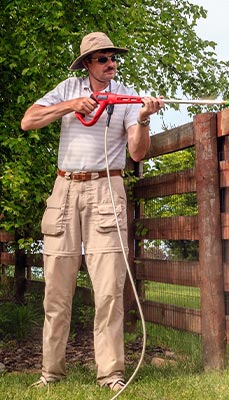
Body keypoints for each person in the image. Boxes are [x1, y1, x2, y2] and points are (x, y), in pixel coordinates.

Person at [20, 32, 164, 392]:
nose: (110, 63)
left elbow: (137, 153)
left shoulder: (129, 97)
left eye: (113, 57)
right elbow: (28, 121)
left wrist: (144, 119)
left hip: (106, 189)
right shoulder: (68, 88)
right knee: (56, 289)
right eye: (102, 58)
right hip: (64, 190)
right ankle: (51, 373)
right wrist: (70, 106)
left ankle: (111, 374)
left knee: (110, 290)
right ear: (87, 63)